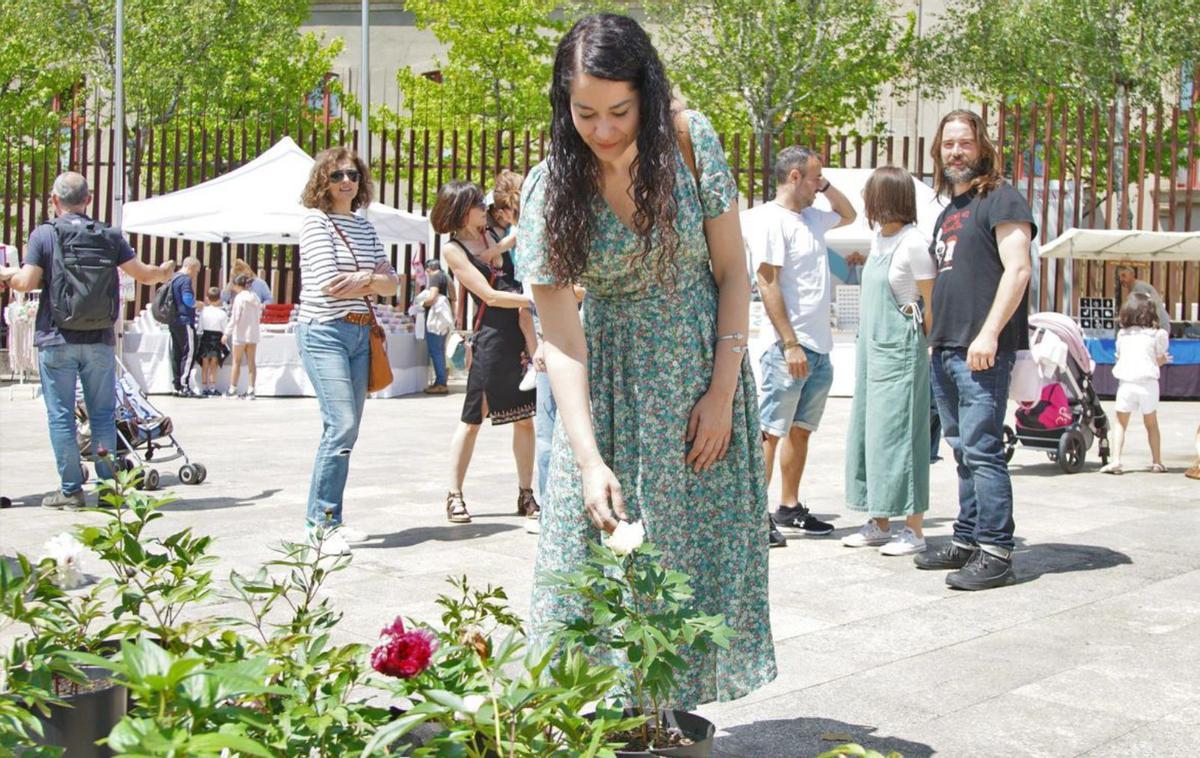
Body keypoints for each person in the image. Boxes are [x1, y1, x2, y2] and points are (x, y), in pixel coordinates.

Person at [517, 14, 776, 708]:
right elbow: (563, 338)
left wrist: (722, 391)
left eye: (620, 112)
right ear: (562, 103)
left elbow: (731, 272)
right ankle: (598, 730)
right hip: (607, 392)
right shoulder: (550, 187)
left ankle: (666, 725)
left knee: (685, 568)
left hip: (699, 379)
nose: (603, 130)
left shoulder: (692, 145)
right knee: (587, 564)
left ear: (648, 97)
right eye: (585, 113)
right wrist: (587, 457)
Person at [0, 171, 175, 508]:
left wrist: (7, 275)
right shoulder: (109, 236)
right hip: (99, 341)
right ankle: (110, 490)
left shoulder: (44, 235)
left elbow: (26, 282)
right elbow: (144, 274)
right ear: (89, 200)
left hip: (56, 338)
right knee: (102, 415)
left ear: (54, 201)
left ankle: (70, 491)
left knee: (62, 416)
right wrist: (165, 272)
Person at [916, 109, 1035, 591]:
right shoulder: (948, 211)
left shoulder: (1001, 199)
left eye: (964, 143)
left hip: (981, 349)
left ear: (982, 147)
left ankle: (996, 551)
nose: (956, 152)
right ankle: (966, 538)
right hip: (945, 348)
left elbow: (1018, 270)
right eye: (948, 145)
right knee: (963, 450)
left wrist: (987, 334)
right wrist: (934, 343)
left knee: (984, 451)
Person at [742, 145, 855, 541]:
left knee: (801, 430)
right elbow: (767, 280)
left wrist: (825, 184)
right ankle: (754, 516)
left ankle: (788, 506)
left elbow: (850, 213)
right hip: (788, 348)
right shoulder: (772, 221)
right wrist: (789, 343)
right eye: (813, 177)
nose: (818, 185)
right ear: (794, 177)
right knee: (771, 431)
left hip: (819, 347)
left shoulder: (812, 217)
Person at [297, 147, 399, 555]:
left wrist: (368, 281)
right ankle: (320, 524)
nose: (346, 182)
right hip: (324, 331)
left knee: (348, 429)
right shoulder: (314, 221)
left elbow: (393, 284)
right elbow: (326, 282)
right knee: (339, 426)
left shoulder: (364, 227)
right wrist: (372, 278)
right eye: (338, 174)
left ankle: (331, 518)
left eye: (353, 175)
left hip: (360, 334)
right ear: (323, 179)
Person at [431, 180, 539, 530]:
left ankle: (526, 493)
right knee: (473, 418)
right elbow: (488, 295)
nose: (485, 207)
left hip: (518, 332)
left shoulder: (494, 234)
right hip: (491, 335)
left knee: (524, 417)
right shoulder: (453, 249)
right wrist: (536, 301)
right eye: (478, 203)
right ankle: (454, 493)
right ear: (461, 209)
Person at [843, 166, 936, 556]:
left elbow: (931, 305)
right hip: (872, 352)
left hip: (900, 352)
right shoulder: (879, 238)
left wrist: (922, 350)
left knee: (902, 437)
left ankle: (913, 529)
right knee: (870, 435)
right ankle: (879, 521)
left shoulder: (914, 242)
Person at [1099, 292, 1171, 474]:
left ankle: (1116, 460)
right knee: (1151, 423)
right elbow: (1159, 359)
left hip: (1126, 383)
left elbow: (1119, 357)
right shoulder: (1156, 335)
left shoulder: (1123, 335)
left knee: (1120, 423)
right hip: (1148, 383)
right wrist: (1163, 360)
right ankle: (1157, 461)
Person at [484, 170, 540, 392]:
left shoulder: (522, 220)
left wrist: (492, 251)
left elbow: (513, 239)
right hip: (529, 277)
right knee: (527, 318)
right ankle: (536, 360)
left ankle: (536, 361)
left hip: (533, 277)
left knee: (528, 317)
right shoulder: (529, 212)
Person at [223, 274, 264, 400]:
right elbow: (260, 314)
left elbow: (235, 318)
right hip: (253, 333)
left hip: (240, 333)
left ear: (237, 285)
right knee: (252, 362)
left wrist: (226, 333)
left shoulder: (239, 298)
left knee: (237, 361)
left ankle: (232, 389)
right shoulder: (255, 297)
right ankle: (251, 390)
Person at [418, 258, 455, 394]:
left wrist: (420, 304)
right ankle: (441, 380)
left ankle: (440, 383)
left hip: (435, 320)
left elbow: (432, 297)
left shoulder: (434, 277)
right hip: (444, 320)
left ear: (429, 269)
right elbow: (454, 297)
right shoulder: (446, 277)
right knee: (440, 350)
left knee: (435, 351)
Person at [168, 256, 202, 397]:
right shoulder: (185, 280)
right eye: (197, 271)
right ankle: (184, 385)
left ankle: (176, 384)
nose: (196, 275)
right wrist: (198, 304)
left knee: (176, 353)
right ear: (191, 267)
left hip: (173, 321)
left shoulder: (173, 278)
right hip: (185, 320)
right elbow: (188, 300)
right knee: (188, 353)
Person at [1116, 264, 1170, 333]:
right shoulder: (1135, 288)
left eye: (1124, 275)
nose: (1121, 279)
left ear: (1132, 274)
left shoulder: (1139, 288)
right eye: (1119, 277)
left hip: (1159, 326)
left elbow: (1142, 311)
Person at [195, 287, 229, 397]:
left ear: (207, 299)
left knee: (205, 364)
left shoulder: (203, 312)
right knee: (214, 364)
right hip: (216, 339)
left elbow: (199, 328)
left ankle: (204, 388)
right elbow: (225, 329)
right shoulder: (222, 314)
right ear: (220, 299)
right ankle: (213, 388)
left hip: (205, 337)